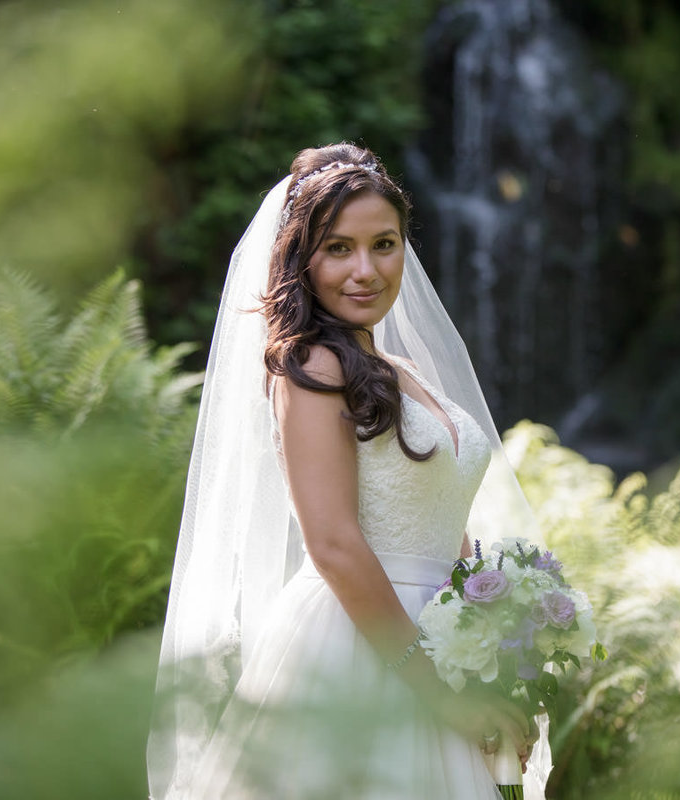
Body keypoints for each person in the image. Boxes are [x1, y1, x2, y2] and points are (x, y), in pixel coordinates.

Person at [147, 144, 550, 799]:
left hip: (439, 637)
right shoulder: (313, 368)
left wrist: (493, 651)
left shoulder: (406, 373)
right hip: (357, 646)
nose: (365, 270)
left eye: (383, 244)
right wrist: (438, 690)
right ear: (302, 259)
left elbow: (441, 514)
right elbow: (332, 542)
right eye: (338, 248)